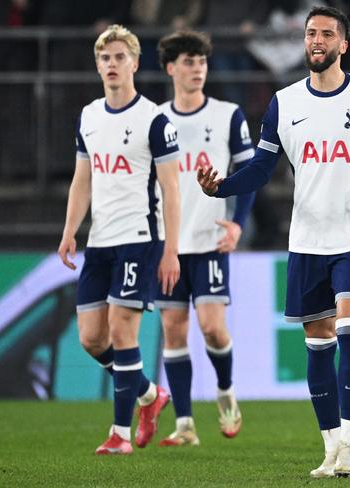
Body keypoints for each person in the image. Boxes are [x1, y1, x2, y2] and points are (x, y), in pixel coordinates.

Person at [198, 6, 350, 477]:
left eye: (327, 33)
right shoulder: (284, 104)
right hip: (306, 239)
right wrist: (220, 187)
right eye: (311, 33)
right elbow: (263, 170)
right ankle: (330, 449)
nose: (317, 40)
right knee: (318, 343)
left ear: (343, 44)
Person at [57, 24, 181, 455]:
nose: (112, 64)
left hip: (140, 238)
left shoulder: (153, 119)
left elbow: (171, 188)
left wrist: (170, 249)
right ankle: (150, 395)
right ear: (98, 65)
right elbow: (82, 179)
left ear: (135, 63)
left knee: (122, 331)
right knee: (91, 338)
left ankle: (120, 435)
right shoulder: (89, 116)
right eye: (105, 58)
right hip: (101, 240)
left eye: (119, 57)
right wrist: (70, 231)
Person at [154, 30, 256, 446]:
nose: (197, 69)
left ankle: (226, 391)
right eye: (189, 62)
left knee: (213, 329)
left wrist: (238, 224)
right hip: (169, 244)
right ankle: (184, 425)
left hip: (211, 238)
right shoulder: (156, 119)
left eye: (202, 62)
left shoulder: (228, 115)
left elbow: (249, 175)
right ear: (171, 68)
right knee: (174, 330)